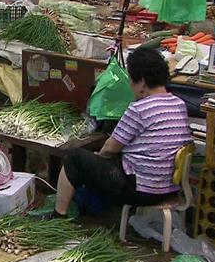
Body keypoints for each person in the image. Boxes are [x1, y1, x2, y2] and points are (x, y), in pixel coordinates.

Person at [54, 47, 192, 216]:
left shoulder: (140, 108)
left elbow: (110, 149)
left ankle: (59, 214)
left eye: (131, 80)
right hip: (168, 188)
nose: (130, 85)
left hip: (142, 190)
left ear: (141, 82)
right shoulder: (178, 104)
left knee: (73, 157)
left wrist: (99, 157)